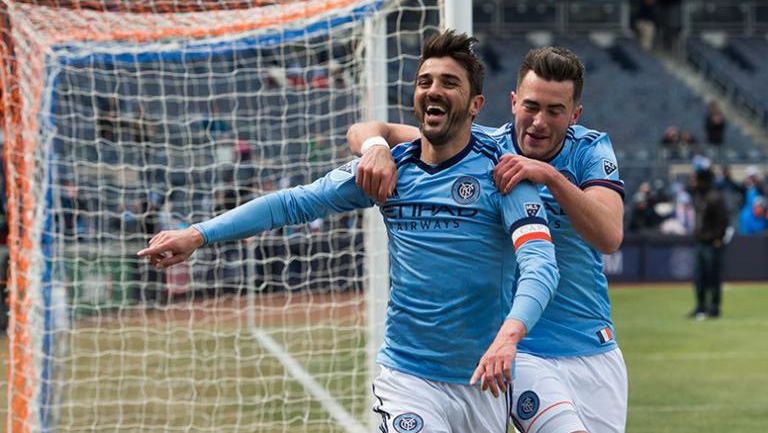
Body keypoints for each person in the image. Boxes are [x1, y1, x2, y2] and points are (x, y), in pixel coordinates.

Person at [138, 31, 560, 433]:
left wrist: (509, 338)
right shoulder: (392, 169)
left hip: (481, 379)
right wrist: (197, 234)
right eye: (424, 81)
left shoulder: (504, 173)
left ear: (475, 105)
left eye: (450, 83)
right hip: (407, 378)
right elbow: (293, 203)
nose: (433, 90)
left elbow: (540, 266)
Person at [347, 46, 628, 433]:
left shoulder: (589, 150)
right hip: (518, 349)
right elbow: (371, 130)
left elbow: (609, 235)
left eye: (554, 110)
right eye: (530, 106)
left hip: (593, 345)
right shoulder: (485, 149)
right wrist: (376, 149)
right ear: (513, 102)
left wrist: (548, 176)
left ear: (574, 115)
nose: (538, 122)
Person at [690, 165, 729, 319]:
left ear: (703, 180)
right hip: (700, 242)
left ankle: (714, 307)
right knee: (699, 276)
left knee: (713, 276)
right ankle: (700, 307)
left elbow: (723, 222)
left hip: (712, 244)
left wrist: (716, 238)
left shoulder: (715, 198)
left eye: (696, 179)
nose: (693, 182)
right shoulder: (699, 196)